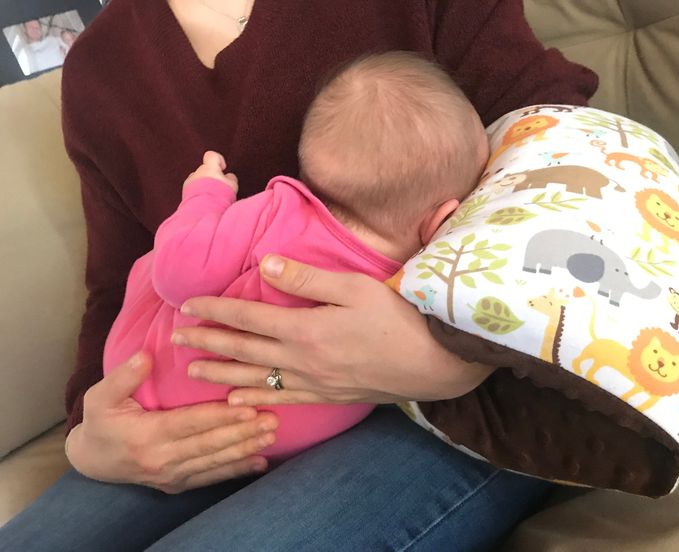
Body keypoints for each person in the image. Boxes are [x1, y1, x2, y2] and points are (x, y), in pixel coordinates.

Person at [0, 0, 598, 550]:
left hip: (458, 406)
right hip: (196, 412)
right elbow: (115, 281)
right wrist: (87, 436)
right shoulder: (100, 68)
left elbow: (571, 160)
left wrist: (454, 359)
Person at [103, 51, 490, 463]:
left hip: (158, 397)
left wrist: (204, 194)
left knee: (153, 266)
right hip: (284, 442)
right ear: (444, 219)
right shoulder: (423, 286)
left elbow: (178, 275)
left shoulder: (276, 213)